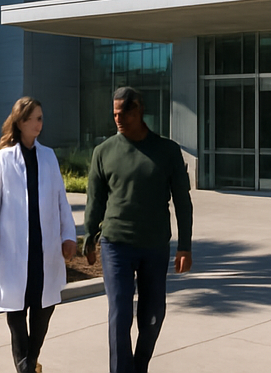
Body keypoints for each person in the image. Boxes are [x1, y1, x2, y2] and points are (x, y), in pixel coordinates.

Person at [82, 87, 193, 373]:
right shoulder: (103, 152)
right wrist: (89, 238)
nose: (118, 119)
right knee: (119, 313)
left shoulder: (167, 151)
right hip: (116, 243)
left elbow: (183, 200)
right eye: (115, 113)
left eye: (124, 114)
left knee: (153, 313)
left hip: (155, 244)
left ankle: (139, 365)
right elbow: (95, 200)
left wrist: (185, 245)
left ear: (139, 111)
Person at [0, 97, 78, 373]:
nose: (40, 123)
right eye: (35, 118)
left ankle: (28, 363)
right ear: (21, 122)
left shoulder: (48, 155)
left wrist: (68, 235)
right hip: (13, 252)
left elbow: (61, 199)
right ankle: (27, 368)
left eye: (40, 118)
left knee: (43, 309)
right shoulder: (2, 159)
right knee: (15, 313)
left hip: (43, 250)